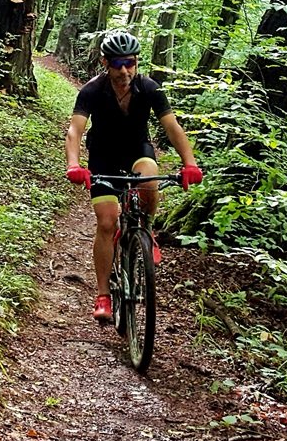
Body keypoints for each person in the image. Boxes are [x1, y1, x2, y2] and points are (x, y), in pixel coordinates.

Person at [65, 30, 202, 323]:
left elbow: (172, 127)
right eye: (117, 64)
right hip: (103, 156)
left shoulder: (150, 88)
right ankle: (103, 295)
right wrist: (74, 164)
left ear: (137, 61)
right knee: (106, 222)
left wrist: (189, 163)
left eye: (130, 62)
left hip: (138, 151)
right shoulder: (92, 90)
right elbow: (75, 130)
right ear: (105, 62)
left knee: (150, 180)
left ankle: (146, 230)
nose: (124, 70)